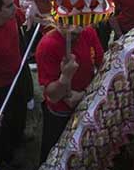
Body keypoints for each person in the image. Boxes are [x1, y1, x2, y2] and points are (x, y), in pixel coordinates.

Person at [36, 24, 104, 162]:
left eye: (80, 25)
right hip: (60, 113)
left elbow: (101, 65)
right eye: (72, 34)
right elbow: (53, 96)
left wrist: (84, 94)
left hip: (86, 103)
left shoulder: (88, 31)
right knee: (53, 155)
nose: (77, 34)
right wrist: (65, 77)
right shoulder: (47, 46)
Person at [0, 0, 29, 170]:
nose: (15, 9)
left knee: (19, 118)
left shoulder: (12, 15)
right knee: (1, 130)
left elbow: (26, 16)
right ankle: (5, 162)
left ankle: (18, 144)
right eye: (9, 6)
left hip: (18, 77)